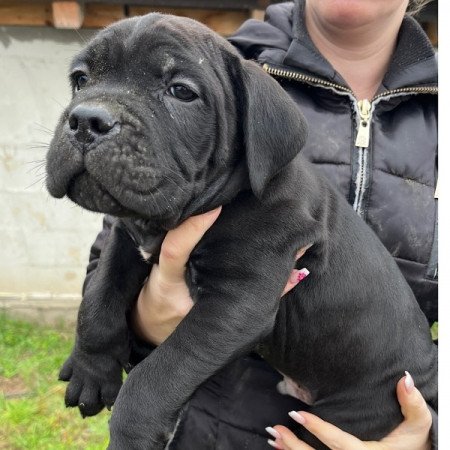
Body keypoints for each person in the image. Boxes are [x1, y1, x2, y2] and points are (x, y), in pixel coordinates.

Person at [83, 0, 437, 448]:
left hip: (372, 397)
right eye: (82, 80)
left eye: (178, 91)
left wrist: (430, 434)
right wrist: (135, 324)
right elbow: (119, 238)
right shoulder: (209, 60)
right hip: (212, 429)